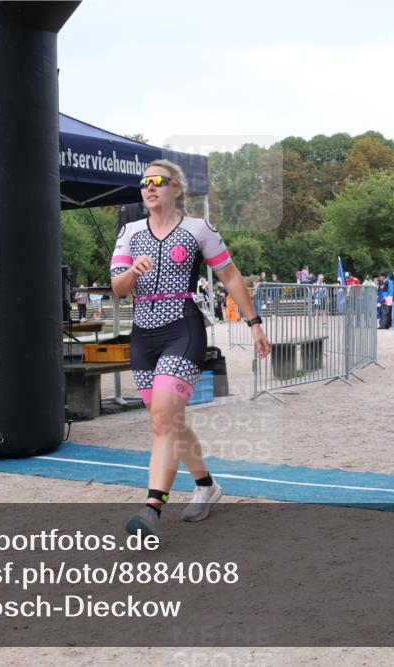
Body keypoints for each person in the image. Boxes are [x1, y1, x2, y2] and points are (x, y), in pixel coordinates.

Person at [110, 159, 270, 537]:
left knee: (164, 420)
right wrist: (133, 271)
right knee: (169, 422)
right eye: (145, 182)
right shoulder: (129, 232)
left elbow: (229, 275)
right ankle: (207, 486)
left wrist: (255, 323)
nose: (149, 187)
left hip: (182, 328)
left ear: (176, 189)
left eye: (158, 181)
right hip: (142, 335)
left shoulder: (198, 229)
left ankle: (151, 509)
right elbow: (117, 287)